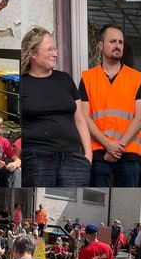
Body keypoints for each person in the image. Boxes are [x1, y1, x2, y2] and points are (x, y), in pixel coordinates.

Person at [21, 25, 92, 187]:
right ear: (32, 53)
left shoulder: (65, 79)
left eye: (55, 49)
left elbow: (80, 119)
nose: (55, 54)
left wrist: (88, 156)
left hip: (73, 158)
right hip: (37, 158)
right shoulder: (22, 83)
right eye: (49, 50)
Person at [79, 23, 141, 187]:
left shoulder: (136, 78)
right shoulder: (87, 78)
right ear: (101, 46)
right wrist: (108, 145)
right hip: (97, 151)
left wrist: (118, 146)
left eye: (121, 42)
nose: (118, 45)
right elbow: (83, 116)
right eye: (113, 41)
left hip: (128, 151)